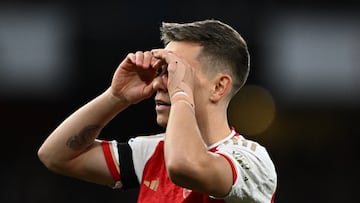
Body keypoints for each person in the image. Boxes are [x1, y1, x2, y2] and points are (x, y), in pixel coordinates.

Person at [38, 19, 277, 203]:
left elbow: (185, 166)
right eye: (162, 71)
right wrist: (115, 96)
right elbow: (56, 156)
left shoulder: (252, 162)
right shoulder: (154, 151)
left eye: (175, 71)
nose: (160, 83)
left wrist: (181, 93)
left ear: (218, 87)